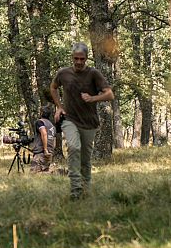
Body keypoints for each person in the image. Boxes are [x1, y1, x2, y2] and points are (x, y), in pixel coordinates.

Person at [50, 43, 114, 199]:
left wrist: (93, 98)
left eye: (82, 59)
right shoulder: (63, 73)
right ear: (72, 57)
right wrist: (59, 106)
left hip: (89, 122)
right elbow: (53, 87)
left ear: (86, 58)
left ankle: (86, 191)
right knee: (73, 146)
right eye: (76, 58)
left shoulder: (93, 74)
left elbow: (110, 95)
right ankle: (75, 191)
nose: (78, 62)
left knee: (85, 160)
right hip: (69, 119)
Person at [30, 104, 56, 172]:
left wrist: (45, 149)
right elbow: (54, 139)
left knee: (34, 175)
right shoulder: (52, 125)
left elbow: (44, 133)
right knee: (44, 175)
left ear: (41, 113)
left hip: (42, 152)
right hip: (50, 152)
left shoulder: (40, 122)